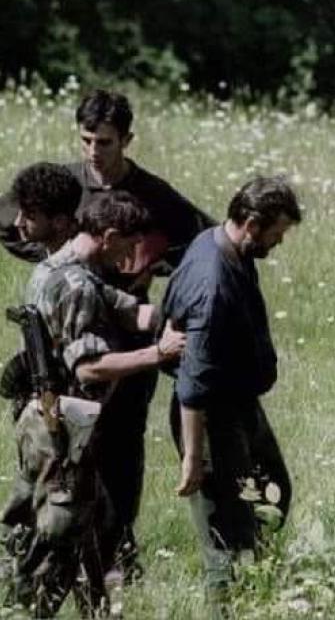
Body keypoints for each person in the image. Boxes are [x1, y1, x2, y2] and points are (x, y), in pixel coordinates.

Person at [0, 89, 214, 578]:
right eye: (86, 140)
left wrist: (154, 266)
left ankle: (114, 554)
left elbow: (201, 241)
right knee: (62, 468)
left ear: (126, 140)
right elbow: (14, 223)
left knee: (121, 449)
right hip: (73, 342)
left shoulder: (153, 194)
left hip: (126, 340)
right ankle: (43, 577)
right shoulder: (62, 188)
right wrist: (55, 260)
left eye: (105, 142)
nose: (94, 151)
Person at [2, 191, 185, 616]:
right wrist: (158, 354)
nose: (130, 258)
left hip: (43, 422)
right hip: (63, 433)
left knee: (86, 535)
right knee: (57, 541)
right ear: (109, 236)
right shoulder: (77, 286)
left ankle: (92, 609)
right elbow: (88, 368)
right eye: (127, 247)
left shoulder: (59, 267)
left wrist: (179, 313)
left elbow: (128, 311)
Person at [161, 175, 300, 610]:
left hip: (238, 405)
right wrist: (193, 457)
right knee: (225, 532)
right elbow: (193, 382)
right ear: (252, 225)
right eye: (276, 232)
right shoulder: (214, 282)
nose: (279, 242)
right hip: (211, 417)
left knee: (273, 493)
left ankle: (258, 587)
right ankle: (228, 605)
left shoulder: (220, 243)